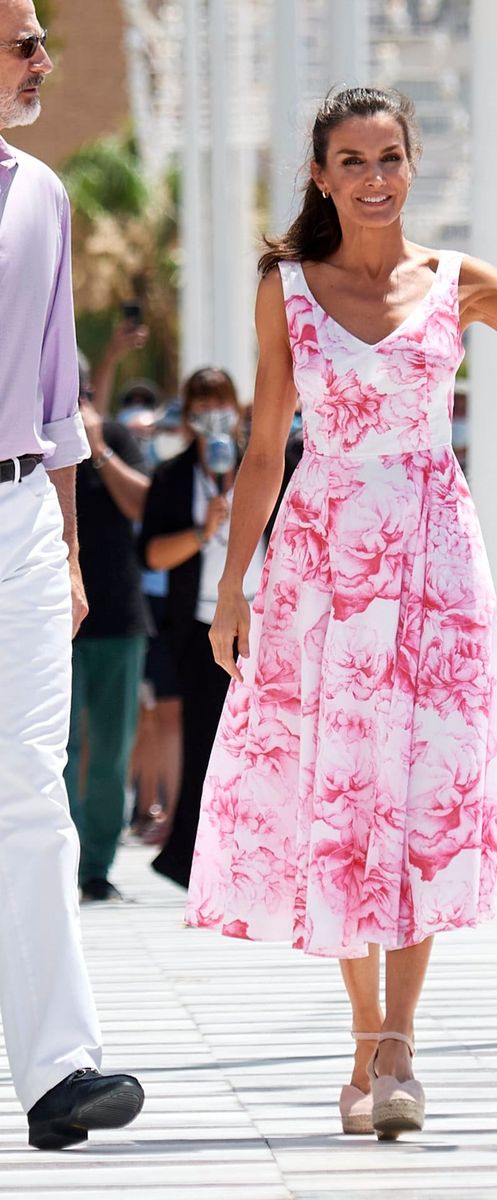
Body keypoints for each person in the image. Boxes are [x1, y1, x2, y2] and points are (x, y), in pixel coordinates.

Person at [184, 87, 497, 1139]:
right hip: (322, 566)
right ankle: (368, 1042)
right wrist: (233, 584)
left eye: (389, 157)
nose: (373, 178)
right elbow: (265, 452)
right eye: (350, 161)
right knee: (344, 798)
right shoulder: (289, 290)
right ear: (320, 175)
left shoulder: (458, 285)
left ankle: (400, 1040)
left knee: (424, 797)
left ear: (411, 163)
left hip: (437, 565)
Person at [0, 0, 143, 1148]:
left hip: (19, 525)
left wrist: (66, 544)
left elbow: (58, 402)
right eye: (22, 41)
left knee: (31, 791)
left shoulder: (41, 196)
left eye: (43, 38)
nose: (44, 58)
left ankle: (59, 1071)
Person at [138, 368, 265, 888]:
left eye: (222, 403)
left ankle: (257, 855)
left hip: (264, 618)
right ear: (188, 416)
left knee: (265, 741)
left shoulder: (262, 463)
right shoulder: (171, 478)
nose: (214, 414)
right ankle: (191, 859)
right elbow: (152, 554)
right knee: (205, 744)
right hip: (200, 625)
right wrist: (202, 531)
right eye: (202, 405)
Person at [64, 358, 152, 901]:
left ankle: (96, 866)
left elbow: (143, 504)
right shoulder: (28, 443)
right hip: (55, 618)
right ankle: (61, 862)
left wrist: (98, 448)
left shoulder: (115, 435)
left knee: (113, 750)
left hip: (118, 618)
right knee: (61, 748)